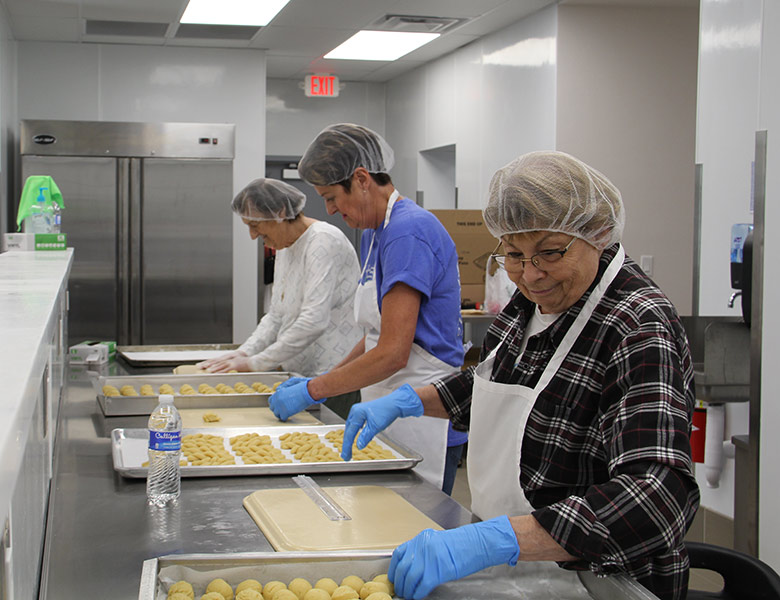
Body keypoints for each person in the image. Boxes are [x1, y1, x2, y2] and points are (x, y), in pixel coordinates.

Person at [340, 151, 700, 600]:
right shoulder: (531, 300)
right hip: (524, 573)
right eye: (513, 254)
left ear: (599, 234)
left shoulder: (638, 324)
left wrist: (500, 539)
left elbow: (656, 499)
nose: (530, 276)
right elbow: (494, 384)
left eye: (550, 252)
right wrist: (410, 400)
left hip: (600, 580)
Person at [269, 123, 465, 489]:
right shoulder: (375, 235)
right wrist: (322, 382)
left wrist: (315, 390)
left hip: (423, 414)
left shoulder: (409, 232)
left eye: (331, 197)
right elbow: (375, 336)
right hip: (384, 406)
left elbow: (393, 352)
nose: (328, 210)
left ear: (361, 179)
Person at [197, 178, 361, 397]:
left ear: (281, 212)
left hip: (334, 377)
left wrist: (256, 363)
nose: (253, 236)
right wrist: (243, 353)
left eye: (255, 226)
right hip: (298, 376)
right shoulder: (285, 246)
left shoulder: (323, 241)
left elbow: (314, 320)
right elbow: (276, 316)